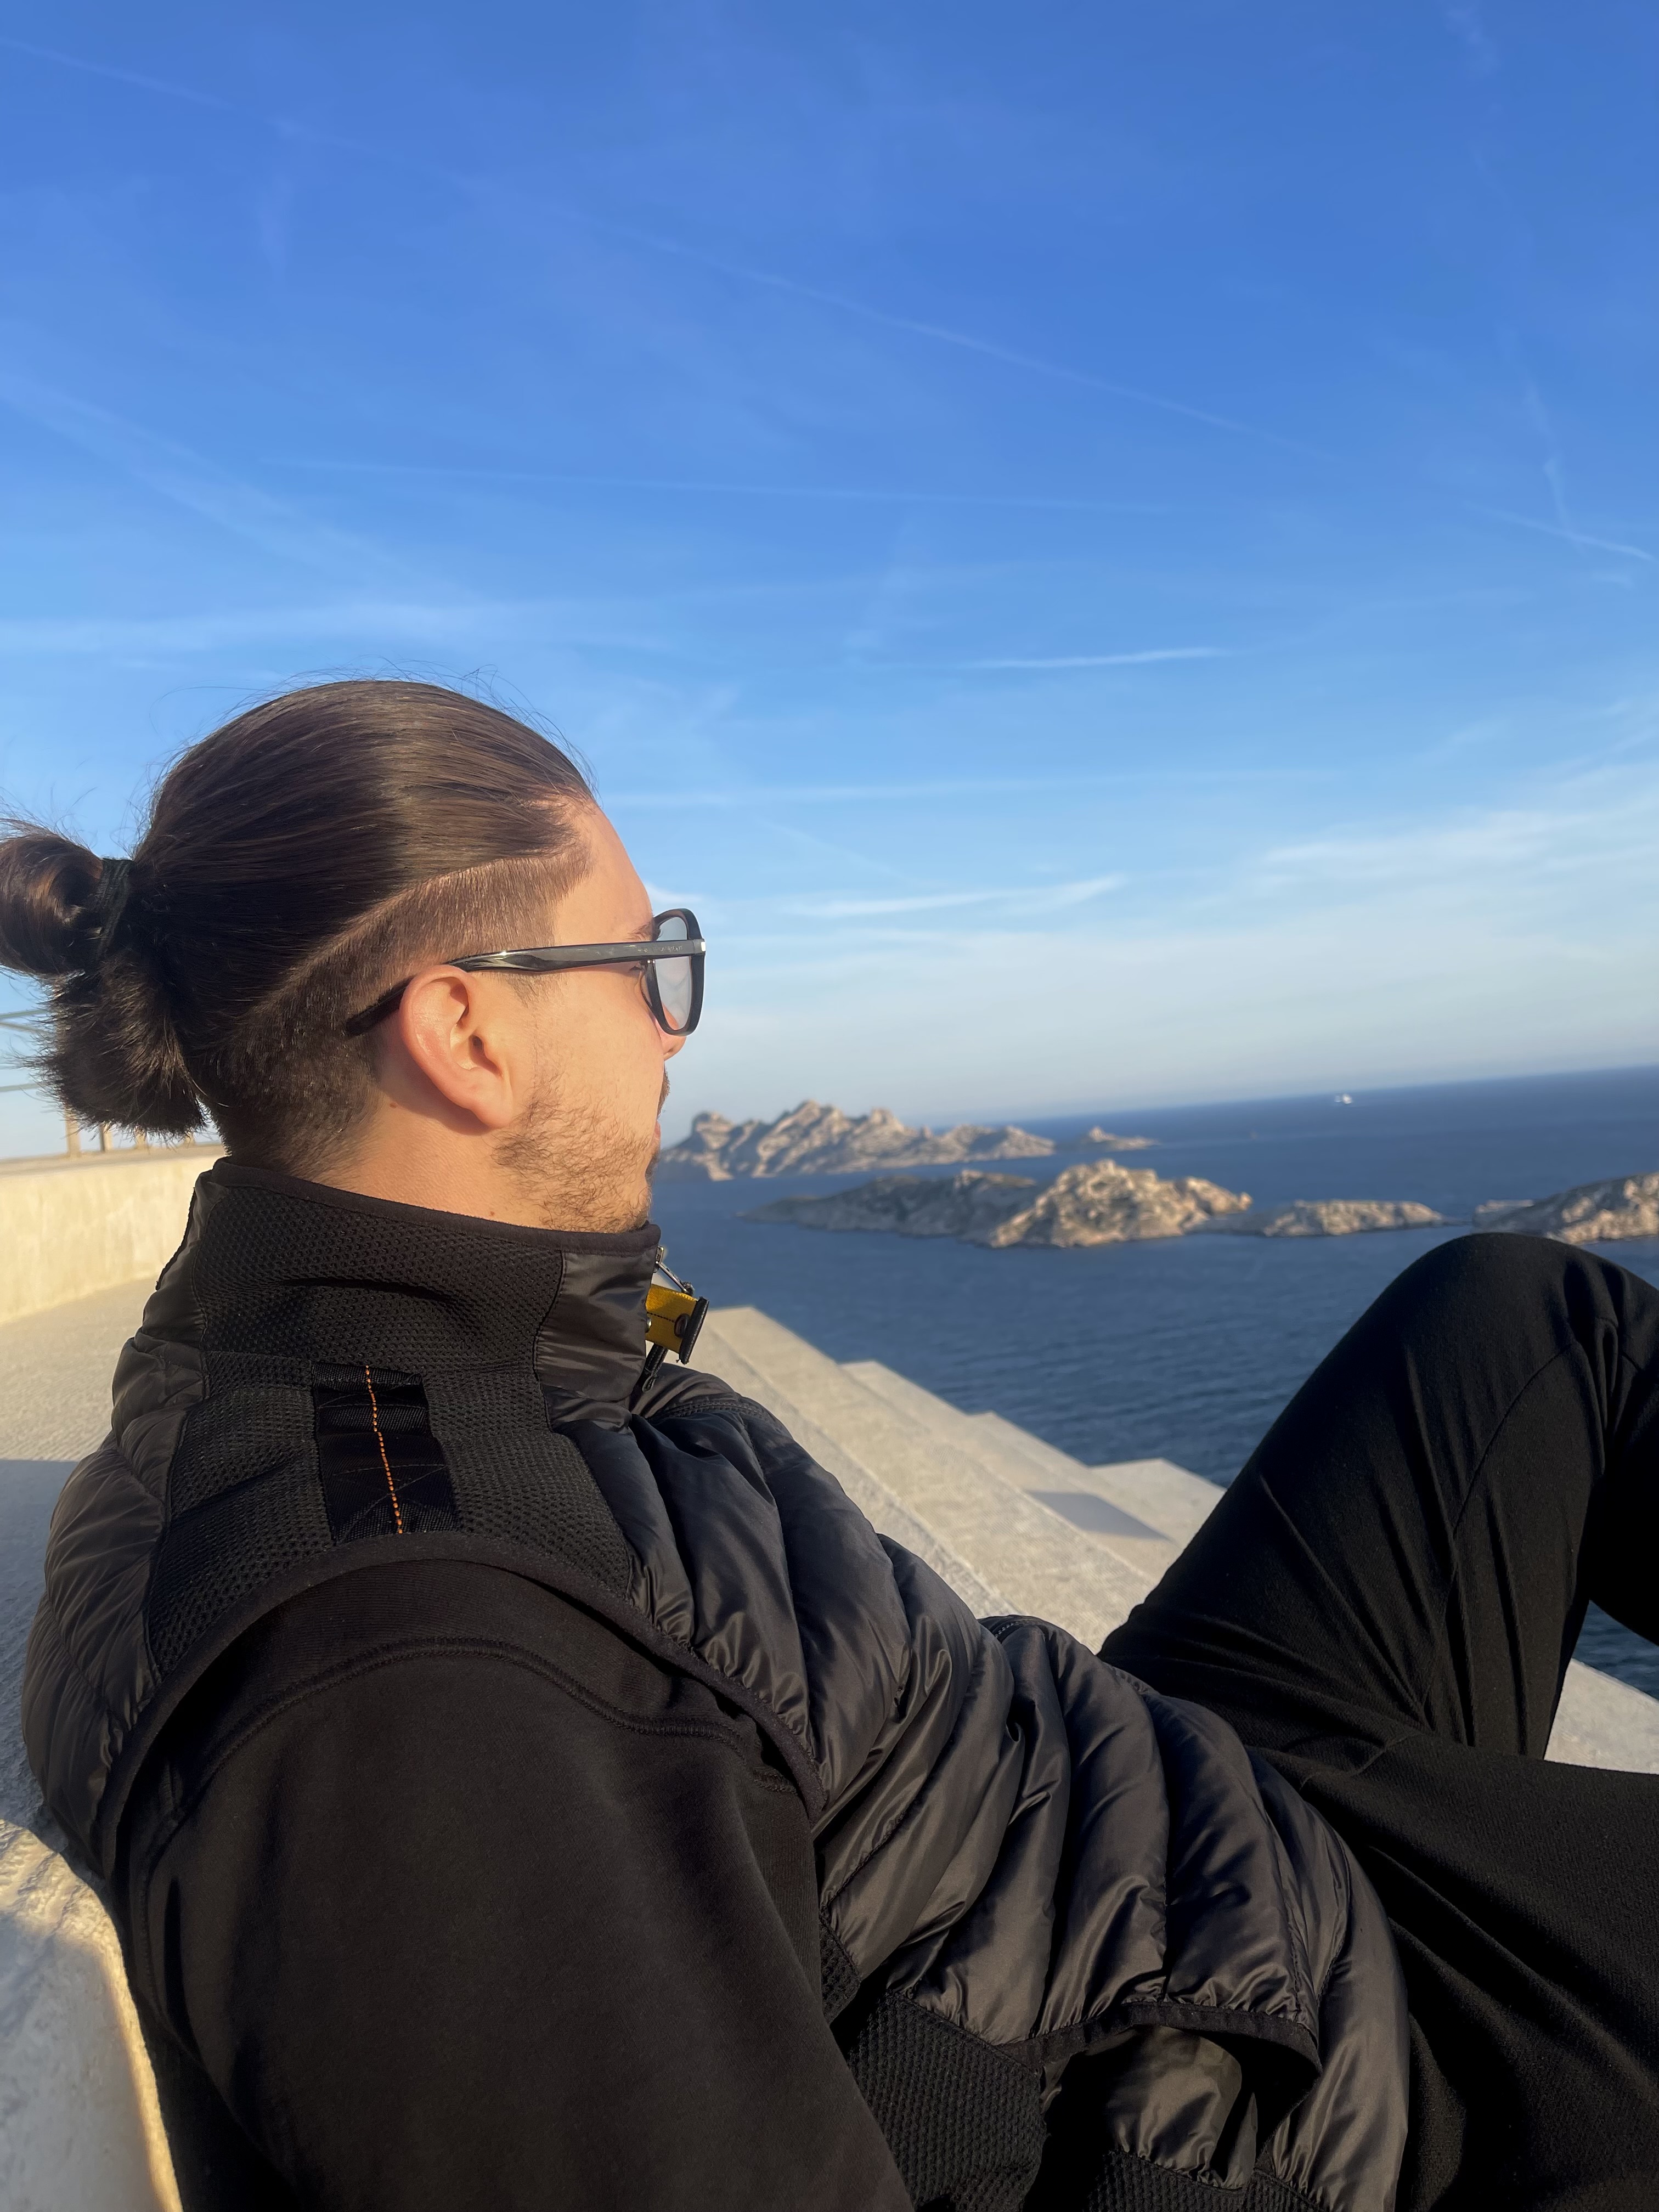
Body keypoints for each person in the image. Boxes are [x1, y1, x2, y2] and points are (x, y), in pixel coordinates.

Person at [3, 678, 1656, 2212]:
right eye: (643, 963)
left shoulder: (383, 1335)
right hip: (1314, 2050)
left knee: (1519, 1316)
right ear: (468, 1034)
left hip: (1140, 1833)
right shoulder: (416, 1697)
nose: (673, 1029)